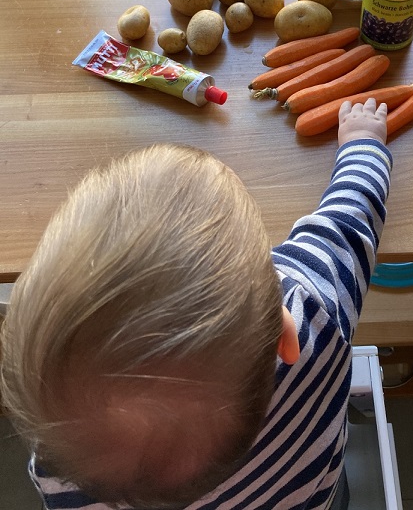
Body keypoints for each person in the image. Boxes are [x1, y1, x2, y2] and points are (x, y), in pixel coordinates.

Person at [1, 98, 392, 510]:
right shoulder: (316, 315)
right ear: (284, 331)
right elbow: (352, 217)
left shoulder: (60, 472)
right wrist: (362, 142)